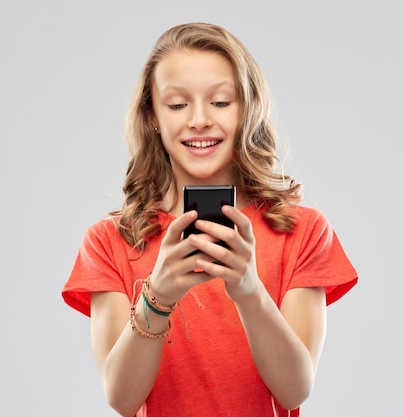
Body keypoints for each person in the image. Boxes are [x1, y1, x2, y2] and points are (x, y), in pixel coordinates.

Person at [62, 22, 358, 417]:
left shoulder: (300, 231)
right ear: (153, 115)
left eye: (220, 102)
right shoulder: (110, 240)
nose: (199, 120)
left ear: (246, 108)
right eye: (178, 104)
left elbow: (295, 389)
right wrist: (158, 296)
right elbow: (121, 398)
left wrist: (249, 290)